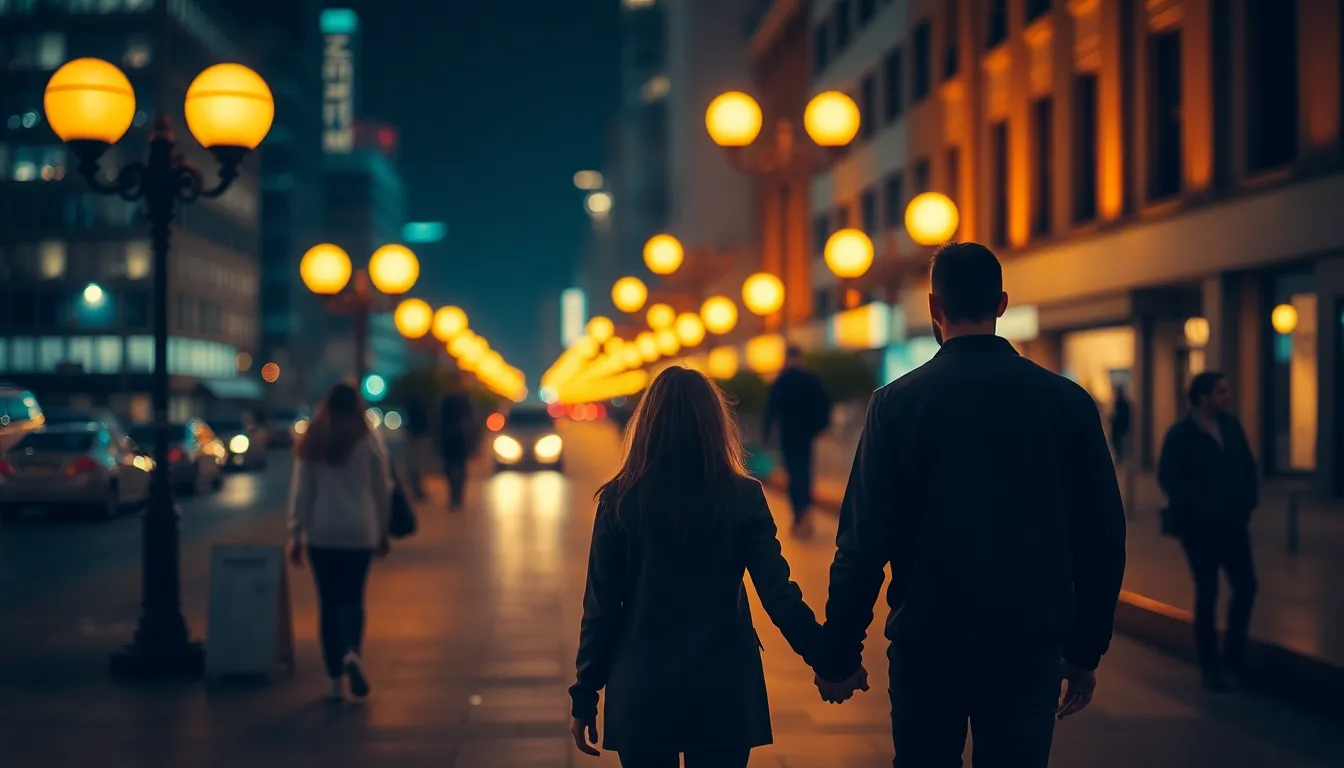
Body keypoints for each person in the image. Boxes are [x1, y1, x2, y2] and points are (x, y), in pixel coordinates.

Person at [813, 242, 1127, 767]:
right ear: (1002, 303)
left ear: (935, 308)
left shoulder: (896, 405)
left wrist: (840, 653)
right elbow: (1104, 537)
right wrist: (1085, 649)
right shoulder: (1066, 403)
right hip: (1029, 643)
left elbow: (863, 542)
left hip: (928, 641)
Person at [568, 366, 836, 767]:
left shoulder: (618, 502)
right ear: (715, 424)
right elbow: (778, 594)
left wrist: (585, 695)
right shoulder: (743, 497)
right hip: (723, 688)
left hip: (642, 686)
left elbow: (601, 610)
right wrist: (830, 660)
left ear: (647, 425)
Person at [287, 381, 393, 702]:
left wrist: (295, 533)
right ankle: (352, 653)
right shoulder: (369, 440)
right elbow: (381, 489)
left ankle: (334, 679)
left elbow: (302, 492)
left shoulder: (313, 440)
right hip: (359, 531)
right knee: (353, 598)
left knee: (328, 603)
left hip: (322, 532)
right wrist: (383, 531)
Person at [1157, 371, 1259, 691]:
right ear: (1202, 397)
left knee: (1246, 586)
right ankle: (1210, 665)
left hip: (1233, 523)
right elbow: (1168, 476)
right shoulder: (1181, 433)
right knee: (1208, 591)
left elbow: (1247, 466)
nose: (1226, 397)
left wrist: (1247, 502)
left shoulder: (1230, 426)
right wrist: (1195, 505)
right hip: (1199, 528)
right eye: (1220, 392)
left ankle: (1234, 653)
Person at [763, 346, 830, 538]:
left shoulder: (781, 381)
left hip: (789, 435)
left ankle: (799, 514)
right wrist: (820, 427)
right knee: (805, 472)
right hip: (805, 435)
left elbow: (771, 409)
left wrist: (767, 433)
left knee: (794, 474)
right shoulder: (810, 380)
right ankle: (805, 512)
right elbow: (823, 404)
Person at [436, 372, 474, 510]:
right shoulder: (448, 400)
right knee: (452, 468)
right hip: (450, 440)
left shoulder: (461, 400)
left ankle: (457, 496)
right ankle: (455, 496)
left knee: (457, 468)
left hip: (457, 440)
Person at [403, 395, 432, 500]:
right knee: (418, 465)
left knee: (414, 465)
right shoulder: (423, 409)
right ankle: (418, 490)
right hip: (419, 436)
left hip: (415, 436)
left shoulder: (411, 409)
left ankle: (417, 489)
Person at [1111, 384, 1132, 462]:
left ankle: (1120, 459)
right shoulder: (1119, 403)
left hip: (1120, 430)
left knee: (1120, 447)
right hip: (1119, 430)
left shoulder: (1122, 403)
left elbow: (1121, 416)